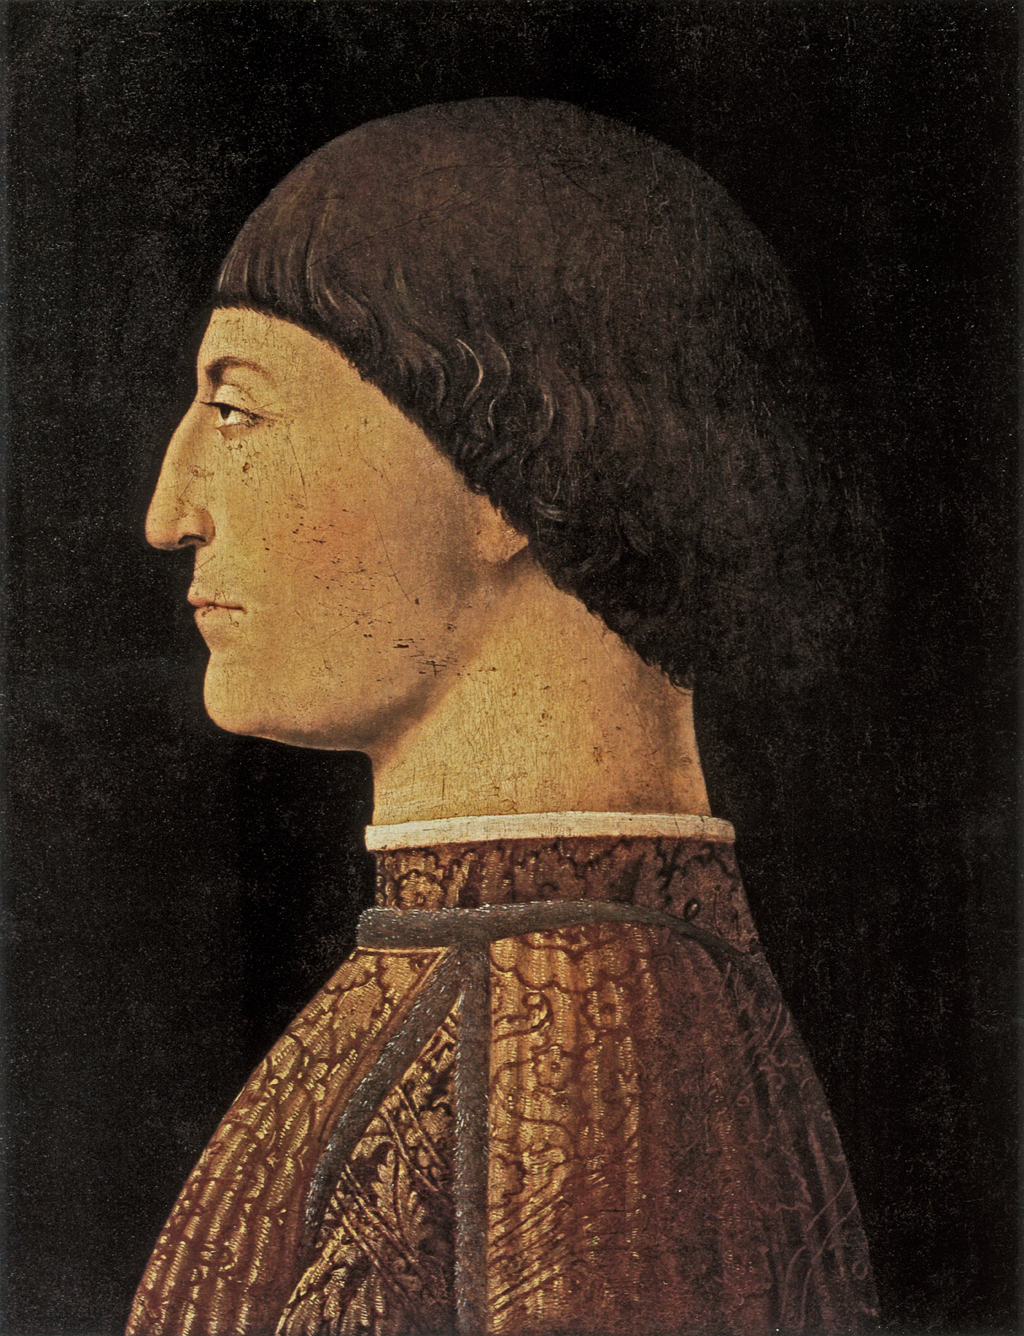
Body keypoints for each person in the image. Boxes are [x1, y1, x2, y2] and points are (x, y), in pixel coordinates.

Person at [129, 99, 877, 1335]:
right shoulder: (500, 969)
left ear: (506, 471)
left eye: (237, 410)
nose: (172, 511)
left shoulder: (578, 1037)